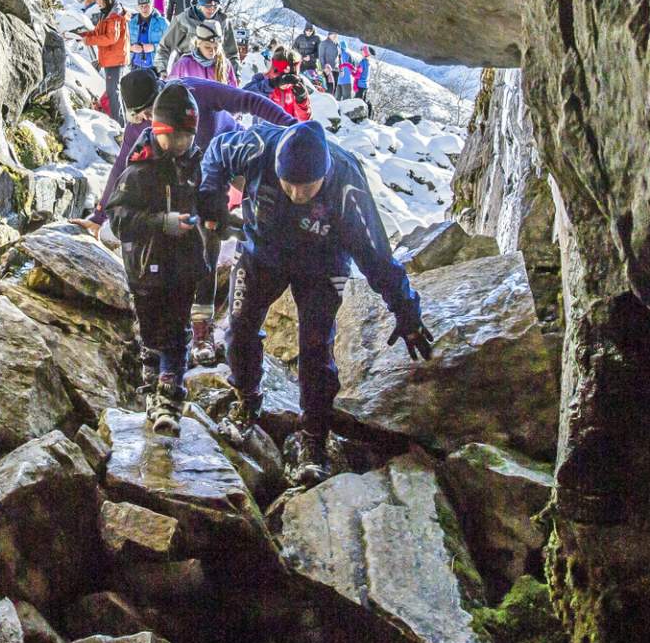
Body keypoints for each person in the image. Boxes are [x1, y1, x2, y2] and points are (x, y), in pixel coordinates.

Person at [199, 121, 435, 486]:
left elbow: (376, 255)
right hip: (262, 254)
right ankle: (247, 399)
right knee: (239, 327)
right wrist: (211, 195)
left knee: (315, 347)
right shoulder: (256, 146)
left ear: (324, 174)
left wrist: (407, 312)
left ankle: (314, 438)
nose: (296, 193)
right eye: (287, 183)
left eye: (306, 186)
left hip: (322, 267)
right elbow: (215, 152)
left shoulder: (347, 184)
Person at [86, 68, 296, 362]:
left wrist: (296, 131)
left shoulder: (195, 91)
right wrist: (98, 217)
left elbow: (249, 100)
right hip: (190, 177)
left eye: (148, 112)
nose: (146, 120)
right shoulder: (145, 126)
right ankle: (192, 324)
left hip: (229, 154)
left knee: (253, 210)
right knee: (197, 234)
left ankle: (212, 320)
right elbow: (123, 163)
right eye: (139, 116)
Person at [104, 85, 211, 437]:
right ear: (159, 130)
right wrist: (160, 223)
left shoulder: (196, 164)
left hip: (183, 266)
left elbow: (208, 202)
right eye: (172, 137)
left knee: (176, 334)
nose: (180, 144)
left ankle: (169, 400)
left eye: (186, 137)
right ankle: (152, 386)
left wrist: (215, 218)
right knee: (151, 332)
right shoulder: (139, 170)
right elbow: (118, 219)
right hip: (145, 269)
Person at [81, 0, 128, 123]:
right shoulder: (107, 13)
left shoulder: (114, 16)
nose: (97, 2)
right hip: (111, 58)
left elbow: (110, 38)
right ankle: (118, 122)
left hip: (115, 59)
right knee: (112, 91)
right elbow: (97, 33)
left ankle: (119, 125)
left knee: (113, 92)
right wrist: (80, 35)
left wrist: (88, 40)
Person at [158, 0, 223, 71]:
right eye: (207, 5)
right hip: (185, 74)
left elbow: (231, 54)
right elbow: (164, 47)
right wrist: (161, 70)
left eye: (215, 6)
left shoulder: (223, 21)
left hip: (215, 75)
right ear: (200, 3)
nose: (211, 9)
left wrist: (235, 77)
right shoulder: (183, 19)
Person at [168, 19, 236, 85]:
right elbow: (169, 90)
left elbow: (233, 93)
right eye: (207, 47)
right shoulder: (184, 64)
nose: (212, 51)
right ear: (198, 44)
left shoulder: (225, 65)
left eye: (216, 47)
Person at [127, 0, 167, 71]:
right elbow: (122, 42)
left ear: (152, 6)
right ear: (138, 7)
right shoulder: (131, 22)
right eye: (141, 6)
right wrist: (131, 48)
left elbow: (171, 43)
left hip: (155, 67)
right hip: (135, 66)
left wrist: (154, 47)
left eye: (147, 6)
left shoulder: (162, 22)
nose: (144, 9)